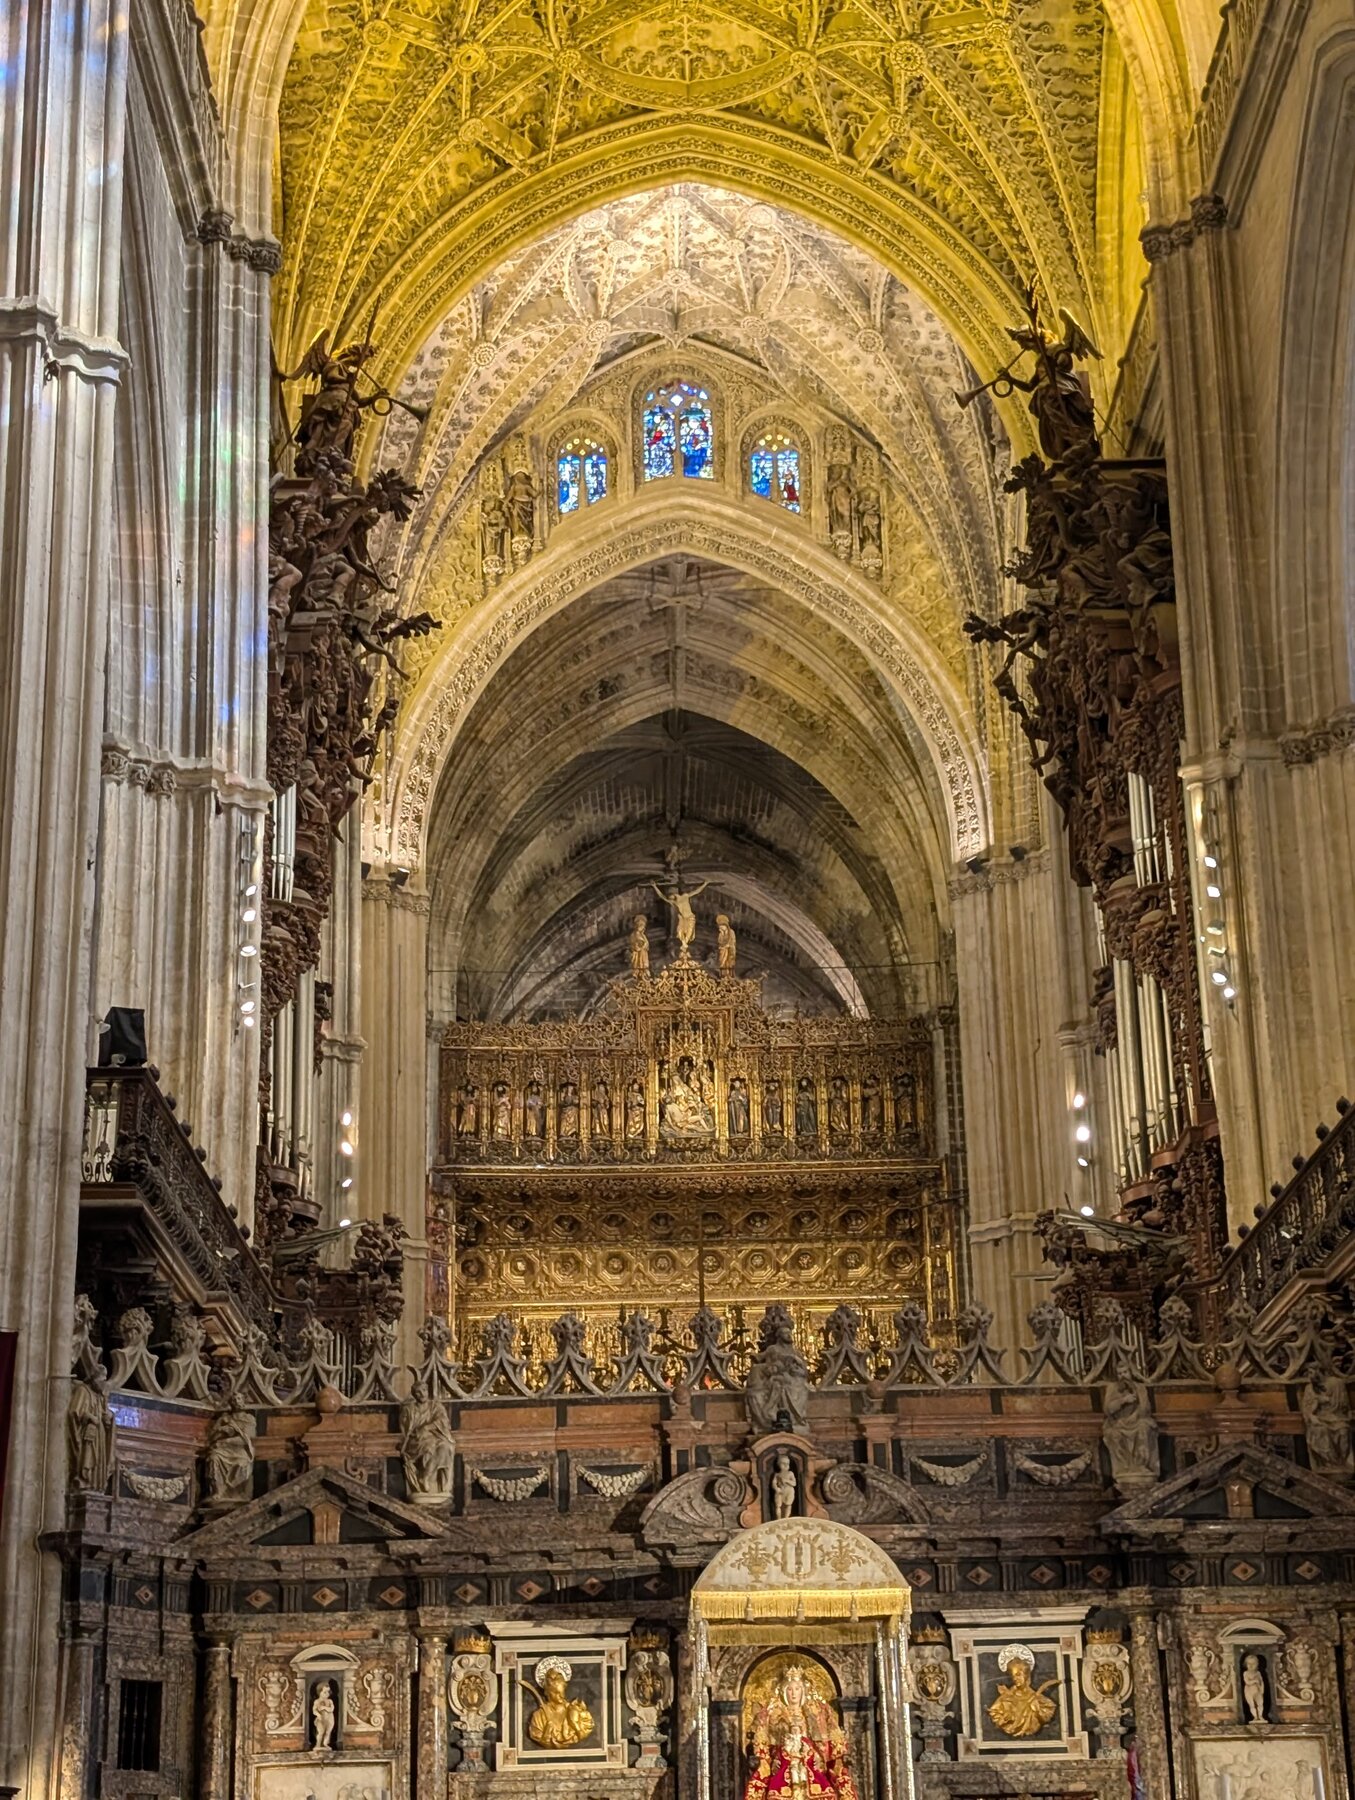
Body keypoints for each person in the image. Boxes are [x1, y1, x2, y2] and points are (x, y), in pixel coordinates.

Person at [744, 1665, 858, 1800]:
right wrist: (773, 1760)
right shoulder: (773, 1714)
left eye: (797, 1689)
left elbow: (827, 1744)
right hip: (783, 1765)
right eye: (790, 1689)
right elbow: (765, 1746)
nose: (793, 1693)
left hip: (811, 1764)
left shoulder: (815, 1713)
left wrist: (818, 1758)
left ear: (802, 1691)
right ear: (784, 1692)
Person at [526, 1658, 594, 1747]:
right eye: (556, 1693)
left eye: (562, 1692)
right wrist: (547, 1732)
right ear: (547, 1693)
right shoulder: (538, 1716)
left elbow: (586, 1728)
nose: (561, 1696)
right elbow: (541, 1739)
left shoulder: (576, 1710)